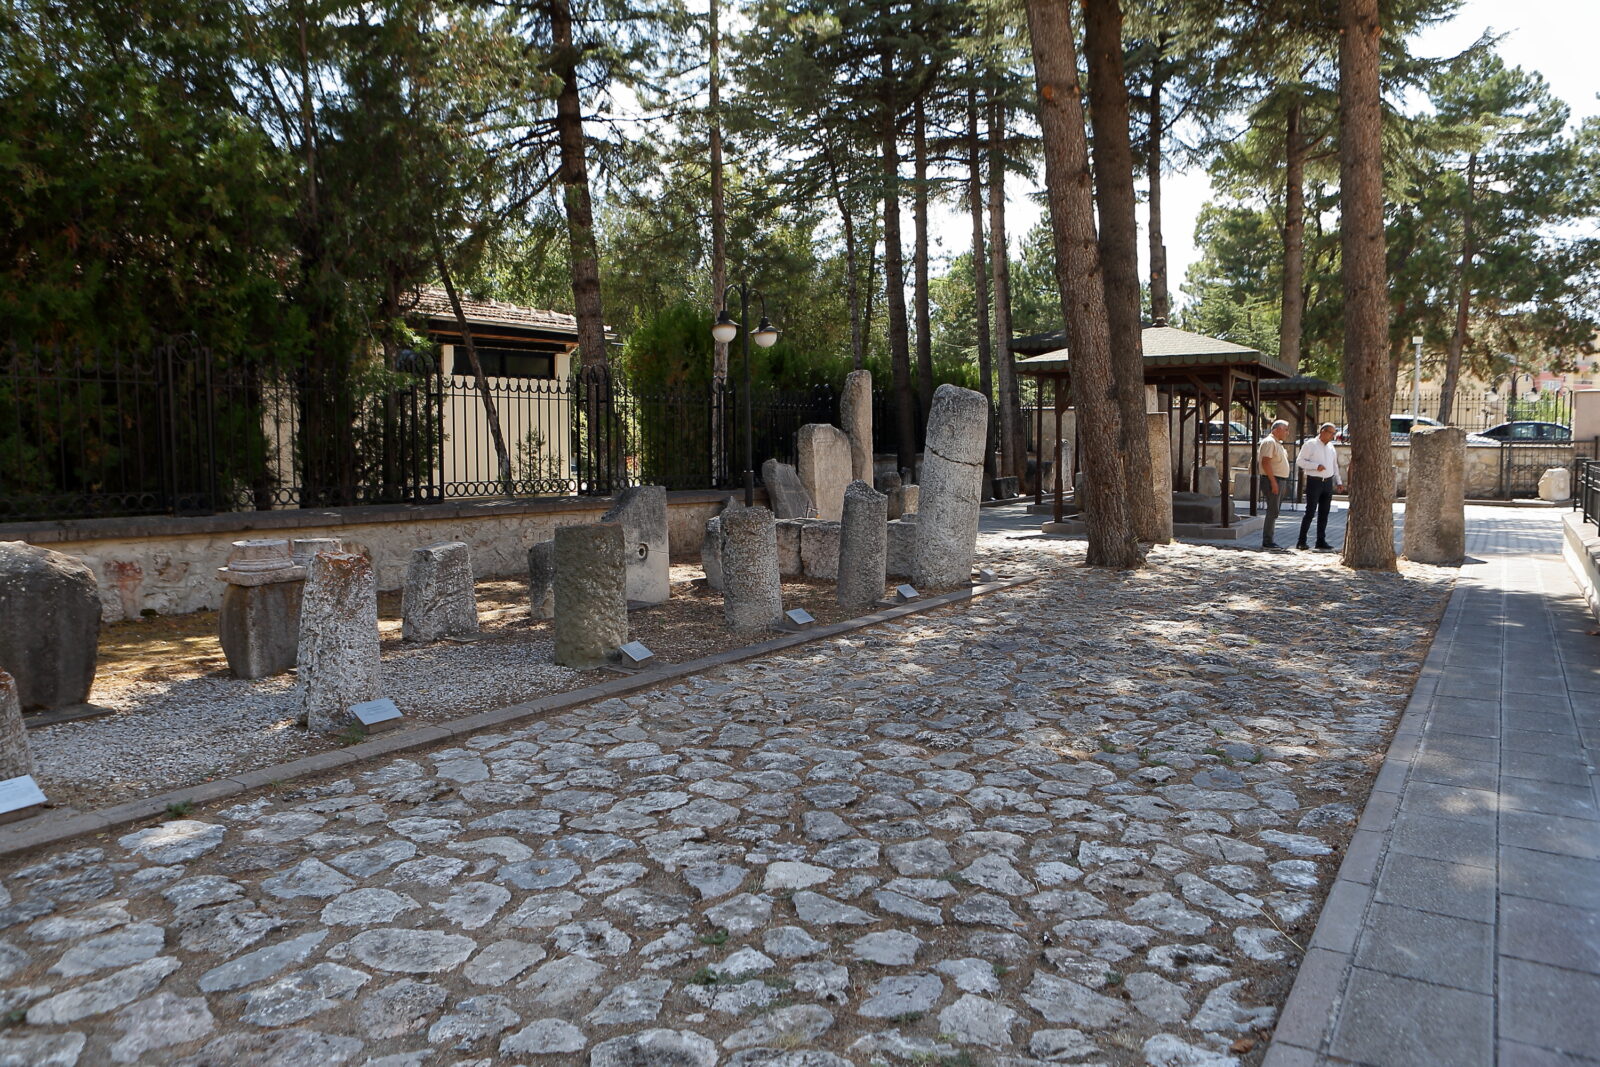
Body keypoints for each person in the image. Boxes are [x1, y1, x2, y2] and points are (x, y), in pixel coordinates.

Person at [1295, 422, 1344, 551]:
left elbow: (1335, 466)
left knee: (1324, 513)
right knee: (1310, 512)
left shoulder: (1331, 448)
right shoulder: (1310, 444)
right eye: (1331, 433)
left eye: (1334, 433)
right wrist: (1315, 466)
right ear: (1323, 431)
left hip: (1327, 483)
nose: (1332, 436)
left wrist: (1338, 482)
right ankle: (1301, 541)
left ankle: (1320, 540)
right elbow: (1300, 461)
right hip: (1314, 481)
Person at [1257, 420, 1291, 550]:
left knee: (1274, 510)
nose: (1287, 433)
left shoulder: (1278, 444)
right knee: (1272, 510)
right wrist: (1273, 482)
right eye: (1285, 429)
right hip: (1273, 479)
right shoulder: (1269, 442)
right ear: (1277, 429)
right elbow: (1266, 463)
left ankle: (1269, 539)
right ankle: (1268, 540)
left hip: (1278, 479)